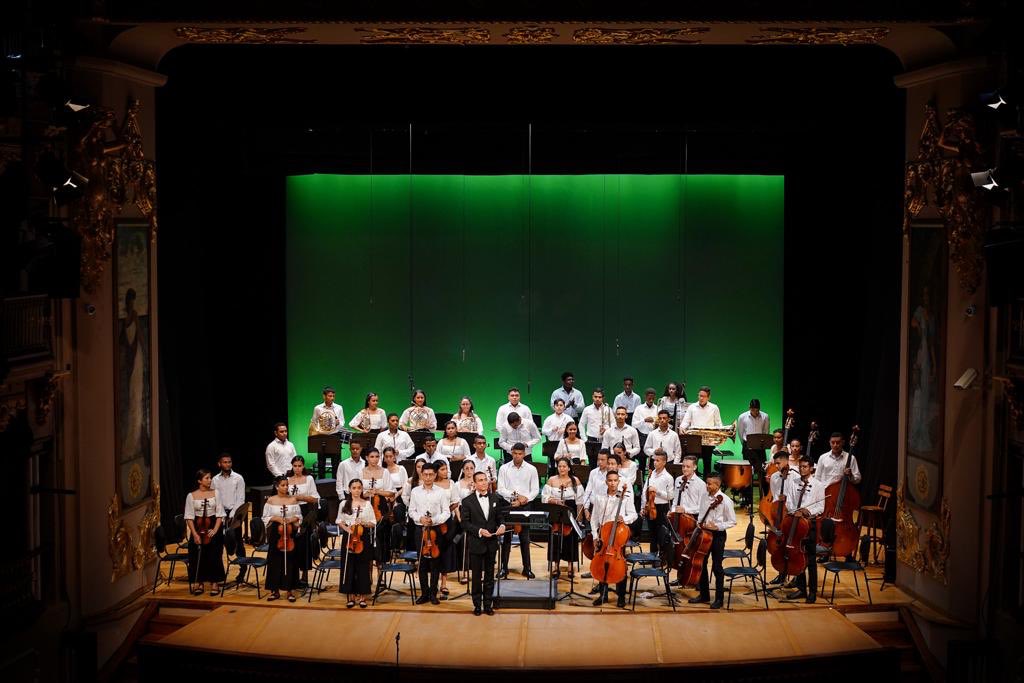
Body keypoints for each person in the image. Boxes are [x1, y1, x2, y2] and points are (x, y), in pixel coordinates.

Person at [461, 471, 509, 615]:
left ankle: (488, 604)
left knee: (489, 576)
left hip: (491, 543)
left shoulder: (495, 498)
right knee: (476, 577)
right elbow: (465, 523)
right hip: (476, 543)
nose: (484, 482)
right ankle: (477, 605)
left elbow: (500, 517)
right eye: (480, 480)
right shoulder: (467, 501)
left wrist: (502, 525)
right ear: (474, 484)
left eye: (485, 480)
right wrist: (480, 531)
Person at [588, 470, 636, 608]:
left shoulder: (625, 497)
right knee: (602, 563)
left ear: (618, 482)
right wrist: (595, 536)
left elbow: (634, 515)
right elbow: (594, 519)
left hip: (618, 537)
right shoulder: (599, 498)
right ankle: (603, 595)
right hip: (604, 535)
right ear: (606, 482)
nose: (613, 483)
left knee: (620, 566)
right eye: (610, 480)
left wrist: (624, 518)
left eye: (615, 481)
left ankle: (621, 596)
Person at [408, 462, 451, 604]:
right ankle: (424, 593)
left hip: (435, 530)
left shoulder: (441, 492)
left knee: (435, 563)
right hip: (420, 530)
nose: (428, 477)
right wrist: (420, 518)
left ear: (435, 475)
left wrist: (434, 520)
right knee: (422, 563)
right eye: (425, 474)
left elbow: (446, 512)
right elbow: (411, 511)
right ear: (421, 475)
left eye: (431, 475)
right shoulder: (415, 491)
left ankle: (433, 593)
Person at [691, 472, 735, 609]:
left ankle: (719, 599)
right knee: (701, 564)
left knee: (717, 567)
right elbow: (701, 513)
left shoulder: (726, 500)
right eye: (706, 483)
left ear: (717, 485)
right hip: (704, 534)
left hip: (718, 536)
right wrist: (699, 523)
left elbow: (732, 521)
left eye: (709, 484)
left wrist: (717, 526)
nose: (707, 486)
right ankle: (704, 595)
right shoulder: (705, 496)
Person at [785, 456, 826, 603]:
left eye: (805, 467)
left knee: (811, 559)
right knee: (798, 556)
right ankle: (801, 589)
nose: (802, 469)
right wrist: (795, 510)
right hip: (796, 523)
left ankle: (812, 591)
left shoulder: (819, 485)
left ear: (811, 468)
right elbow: (789, 502)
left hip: (809, 525)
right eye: (800, 467)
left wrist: (807, 512)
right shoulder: (794, 482)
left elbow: (820, 507)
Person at [497, 443, 539, 579]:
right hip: (508, 504)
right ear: (511, 453)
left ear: (524, 454)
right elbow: (500, 489)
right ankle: (504, 568)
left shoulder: (532, 469)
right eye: (515, 453)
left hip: (525, 506)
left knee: (525, 538)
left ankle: (527, 568)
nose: (517, 456)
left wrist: (523, 500)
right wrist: (515, 496)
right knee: (506, 538)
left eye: (520, 454)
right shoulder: (504, 468)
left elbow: (535, 490)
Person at [184, 469, 226, 596]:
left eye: (210, 477)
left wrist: (215, 530)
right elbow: (189, 517)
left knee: (214, 555)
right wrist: (195, 534)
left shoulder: (216, 493)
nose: (210, 480)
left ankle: (214, 583)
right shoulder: (191, 496)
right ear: (199, 481)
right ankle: (199, 582)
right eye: (207, 478)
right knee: (197, 555)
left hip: (213, 526)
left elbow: (220, 514)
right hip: (198, 527)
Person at [336, 478, 376, 608]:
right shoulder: (344, 504)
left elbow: (373, 522)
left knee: (362, 566)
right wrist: (347, 529)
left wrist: (363, 523)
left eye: (359, 488)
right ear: (349, 490)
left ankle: (363, 596)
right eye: (354, 488)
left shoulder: (367, 504)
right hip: (348, 536)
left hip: (362, 537)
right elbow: (339, 520)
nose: (357, 490)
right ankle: (351, 596)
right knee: (349, 566)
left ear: (362, 489)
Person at [542, 457, 585, 578]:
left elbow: (580, 501)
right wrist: (554, 501)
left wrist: (579, 519)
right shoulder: (552, 480)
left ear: (569, 468)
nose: (562, 468)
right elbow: (544, 497)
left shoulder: (575, 480)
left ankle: (570, 565)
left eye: (564, 466)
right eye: (560, 466)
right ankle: (556, 565)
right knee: (555, 538)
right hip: (556, 510)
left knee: (570, 538)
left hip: (570, 510)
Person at [263, 475, 303, 602]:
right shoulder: (270, 500)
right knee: (274, 561)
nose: (286, 487)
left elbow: (299, 516)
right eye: (283, 485)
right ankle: (274, 591)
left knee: (290, 561)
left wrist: (291, 519)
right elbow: (265, 517)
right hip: (277, 533)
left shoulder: (293, 500)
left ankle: (290, 590)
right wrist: (276, 518)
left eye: (287, 485)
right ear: (276, 486)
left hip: (289, 532)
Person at [286, 455, 320, 586]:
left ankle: (305, 576)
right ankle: (293, 575)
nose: (297, 468)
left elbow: (315, 498)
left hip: (305, 511)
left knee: (304, 544)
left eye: (299, 466)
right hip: (291, 511)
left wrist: (301, 497)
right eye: (295, 466)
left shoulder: (309, 479)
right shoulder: (287, 480)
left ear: (303, 466)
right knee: (292, 543)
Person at [211, 453, 246, 580]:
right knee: (218, 543)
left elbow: (240, 498)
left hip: (234, 514)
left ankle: (243, 569)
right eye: (225, 462)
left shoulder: (238, 478)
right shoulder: (215, 480)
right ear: (219, 464)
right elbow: (214, 497)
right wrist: (221, 514)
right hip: (220, 514)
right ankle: (219, 573)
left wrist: (232, 514)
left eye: (229, 462)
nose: (227, 464)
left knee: (238, 542)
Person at [679, 385, 723, 477]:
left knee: (707, 464)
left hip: (708, 441)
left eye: (703, 396)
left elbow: (718, 424)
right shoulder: (692, 407)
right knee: (692, 464)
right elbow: (686, 421)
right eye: (700, 396)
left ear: (708, 397)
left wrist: (719, 437)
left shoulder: (714, 407)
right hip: (694, 441)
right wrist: (682, 427)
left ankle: (707, 484)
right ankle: (692, 483)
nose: (701, 398)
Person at [644, 450, 674, 557]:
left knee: (661, 534)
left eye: (658, 460)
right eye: (654, 460)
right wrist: (644, 505)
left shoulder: (668, 477)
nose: (655, 463)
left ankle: (662, 558)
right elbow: (645, 489)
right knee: (652, 534)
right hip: (650, 506)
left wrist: (657, 491)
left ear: (664, 462)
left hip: (662, 508)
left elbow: (670, 496)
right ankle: (652, 556)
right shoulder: (651, 474)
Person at [737, 398, 771, 482]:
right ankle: (747, 489)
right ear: (749, 408)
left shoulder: (765, 416)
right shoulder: (742, 417)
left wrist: (762, 443)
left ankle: (763, 488)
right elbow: (740, 432)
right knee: (747, 470)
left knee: (762, 469)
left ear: (759, 408)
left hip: (760, 446)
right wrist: (744, 444)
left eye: (757, 410)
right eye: (753, 410)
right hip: (747, 445)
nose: (755, 412)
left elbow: (766, 432)